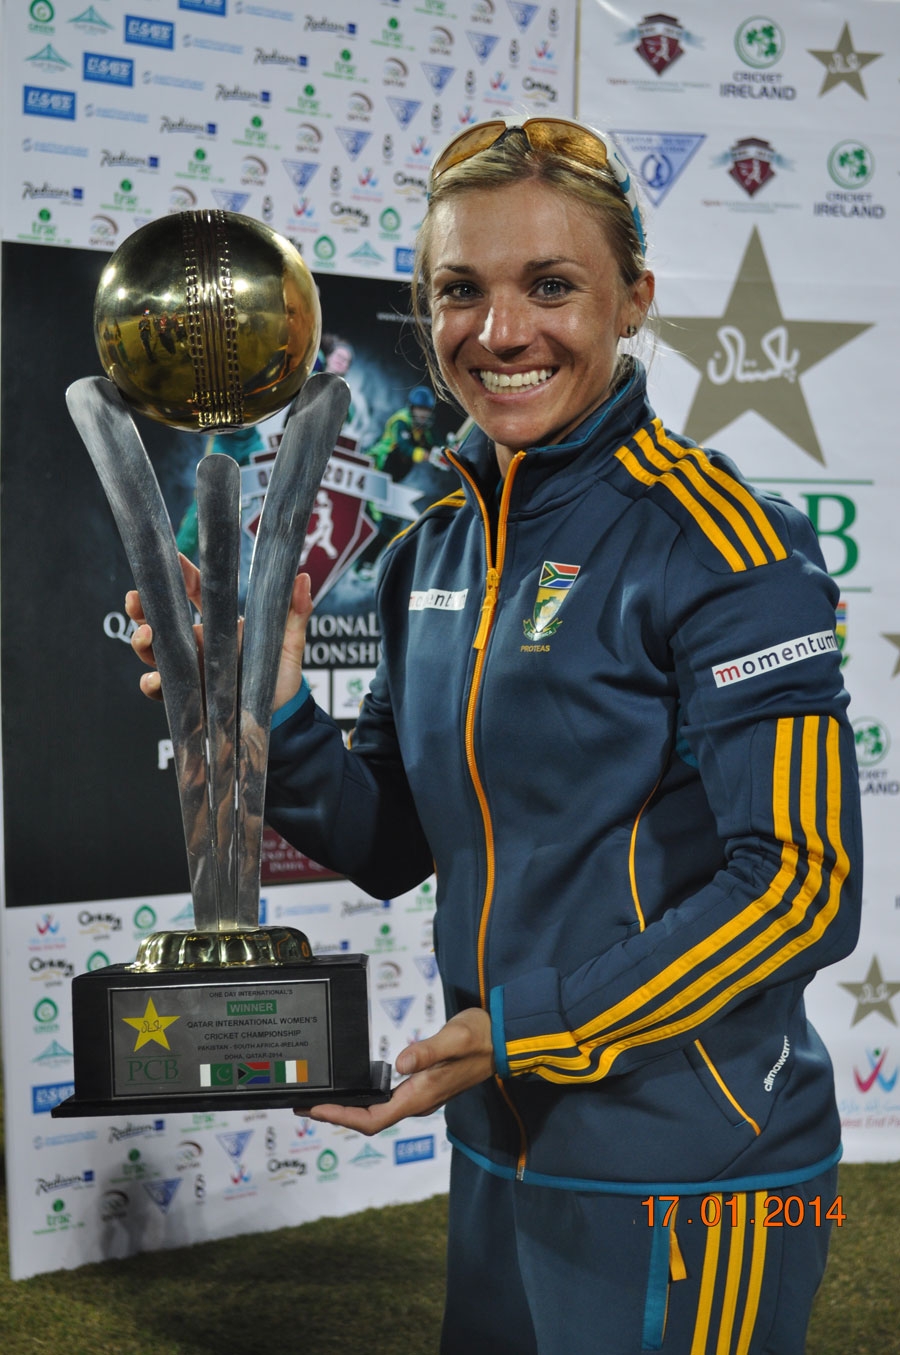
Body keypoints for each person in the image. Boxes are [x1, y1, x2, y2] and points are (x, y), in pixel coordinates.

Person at [129, 116, 861, 1354]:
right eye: (460, 290)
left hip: (693, 1165)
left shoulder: (725, 544)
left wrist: (532, 1031)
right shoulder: (431, 549)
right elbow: (390, 839)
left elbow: (802, 885)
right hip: (499, 1142)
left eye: (553, 286)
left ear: (634, 299)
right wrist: (270, 720)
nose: (501, 331)